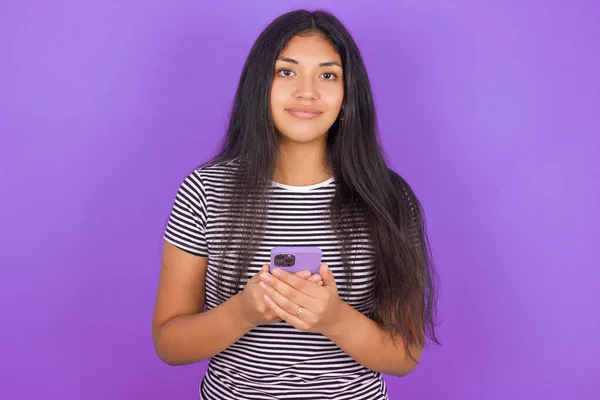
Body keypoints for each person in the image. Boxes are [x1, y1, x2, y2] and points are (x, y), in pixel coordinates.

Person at [152, 9, 439, 400]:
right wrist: (244, 312)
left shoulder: (389, 198)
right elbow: (169, 343)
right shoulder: (207, 190)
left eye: (327, 75)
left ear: (348, 93)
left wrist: (335, 319)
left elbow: (405, 354)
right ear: (260, 85)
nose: (307, 91)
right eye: (286, 72)